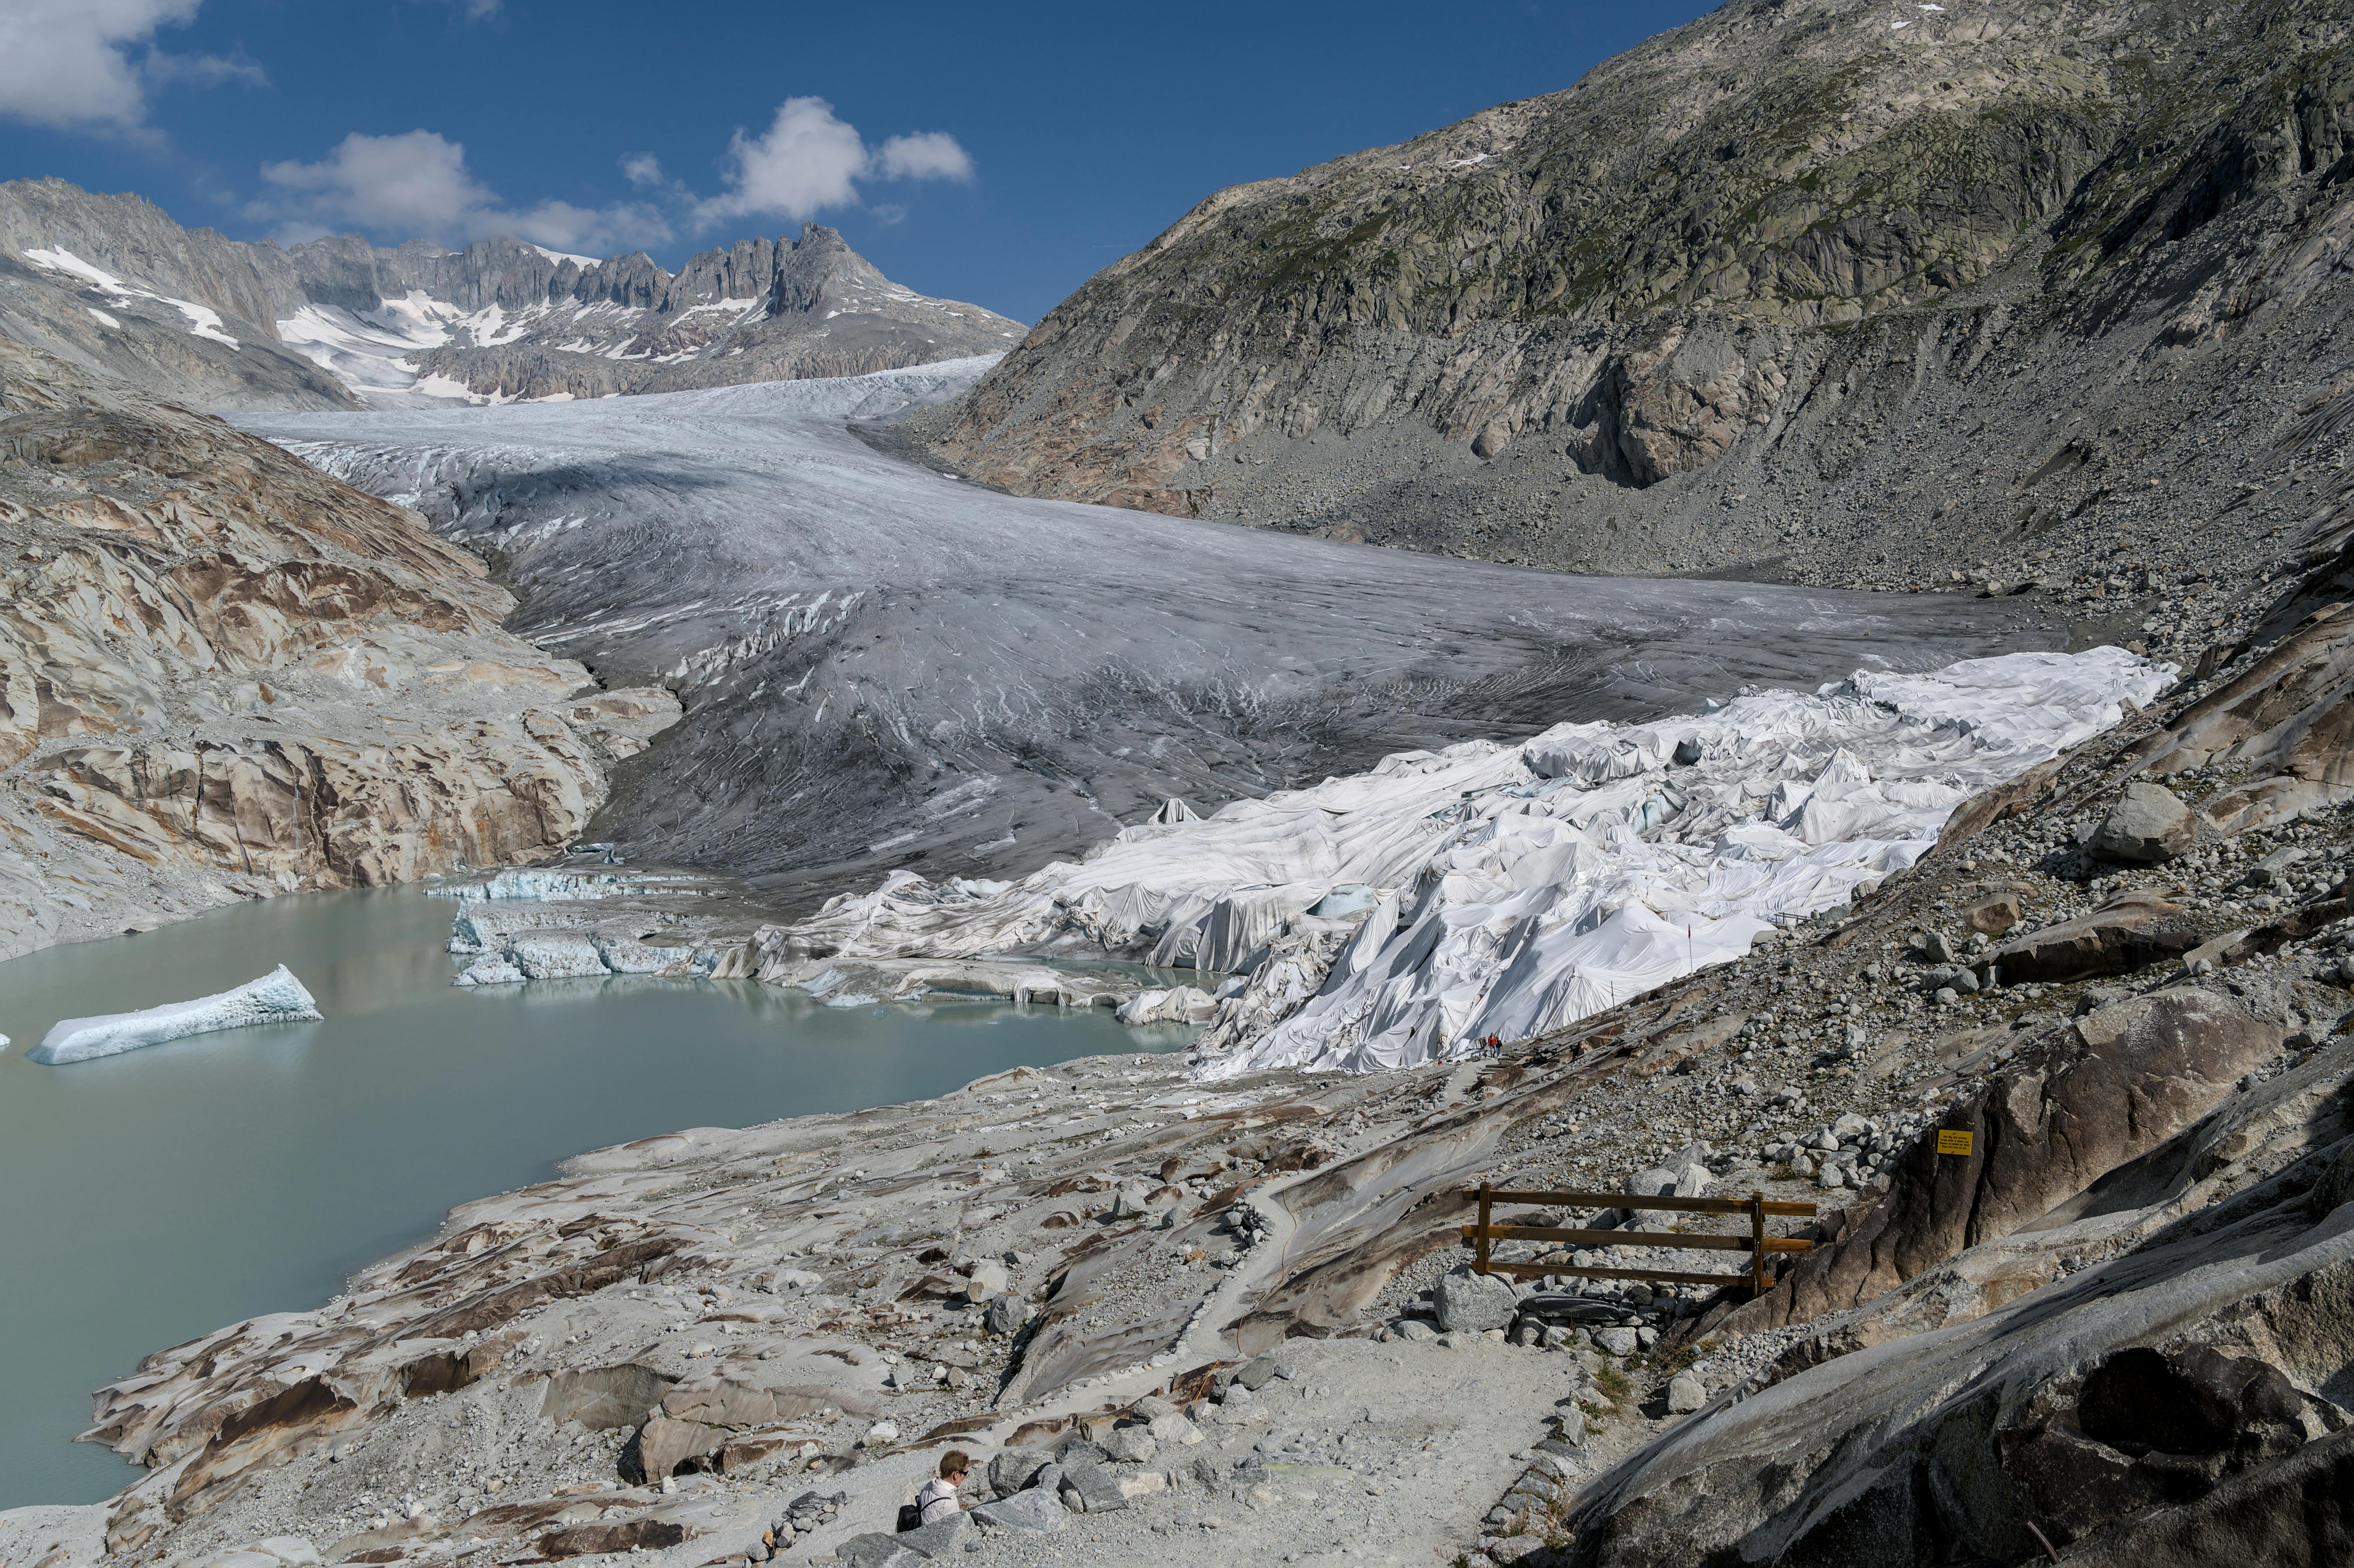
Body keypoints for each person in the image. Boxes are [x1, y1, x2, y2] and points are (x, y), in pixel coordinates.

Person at [917, 1451, 971, 1526]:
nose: (966, 1477)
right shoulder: (949, 1503)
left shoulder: (929, 1486)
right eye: (965, 1474)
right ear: (956, 1474)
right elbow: (953, 1531)